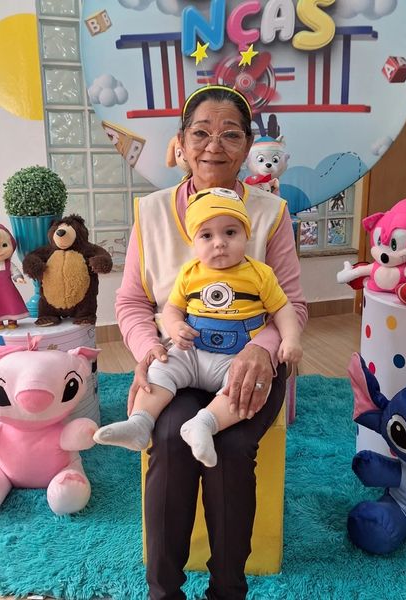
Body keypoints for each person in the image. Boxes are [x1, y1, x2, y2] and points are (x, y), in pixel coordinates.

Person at [114, 84, 307, 600]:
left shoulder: (272, 212)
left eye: (230, 135)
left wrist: (262, 348)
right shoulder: (151, 212)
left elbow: (291, 304)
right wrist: (149, 350)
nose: (213, 146)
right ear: (180, 143)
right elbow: (131, 301)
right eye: (200, 133)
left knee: (233, 445)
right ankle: (163, 591)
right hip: (178, 359)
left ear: (248, 147)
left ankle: (227, 589)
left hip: (249, 358)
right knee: (169, 439)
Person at [95, 187, 303, 468]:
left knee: (244, 390)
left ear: (246, 236)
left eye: (230, 232)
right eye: (207, 236)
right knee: (160, 370)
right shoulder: (190, 272)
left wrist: (290, 339)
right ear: (194, 242)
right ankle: (139, 424)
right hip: (192, 352)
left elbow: (283, 308)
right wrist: (175, 327)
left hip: (234, 359)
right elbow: (173, 308)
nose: (219, 243)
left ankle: (204, 424)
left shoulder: (260, 274)